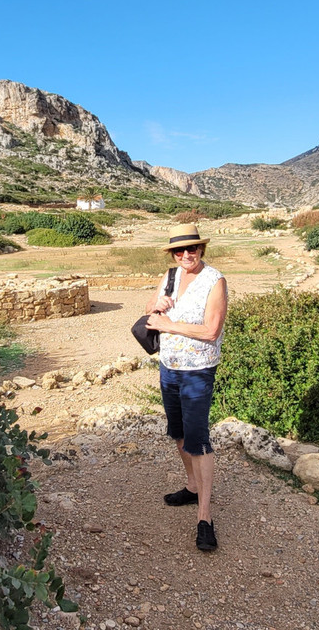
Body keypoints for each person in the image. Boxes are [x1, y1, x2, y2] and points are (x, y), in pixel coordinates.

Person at [143, 223, 228, 551]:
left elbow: (211, 331)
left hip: (197, 372)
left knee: (198, 439)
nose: (186, 255)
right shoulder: (170, 276)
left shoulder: (214, 281)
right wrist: (157, 308)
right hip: (169, 368)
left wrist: (169, 324)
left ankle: (204, 517)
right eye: (179, 250)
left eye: (191, 249)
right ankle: (192, 488)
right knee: (178, 433)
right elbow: (149, 314)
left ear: (201, 249)